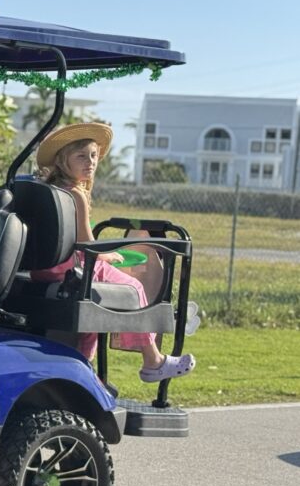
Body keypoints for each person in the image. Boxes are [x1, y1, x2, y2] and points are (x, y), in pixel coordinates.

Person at [32, 122, 195, 382]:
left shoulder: (51, 189)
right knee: (133, 288)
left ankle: (85, 376)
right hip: (72, 267)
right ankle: (153, 361)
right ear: (63, 160)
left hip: (48, 267)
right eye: (81, 156)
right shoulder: (75, 194)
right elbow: (87, 242)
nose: (91, 162)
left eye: (94, 156)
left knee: (92, 325)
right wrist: (109, 255)